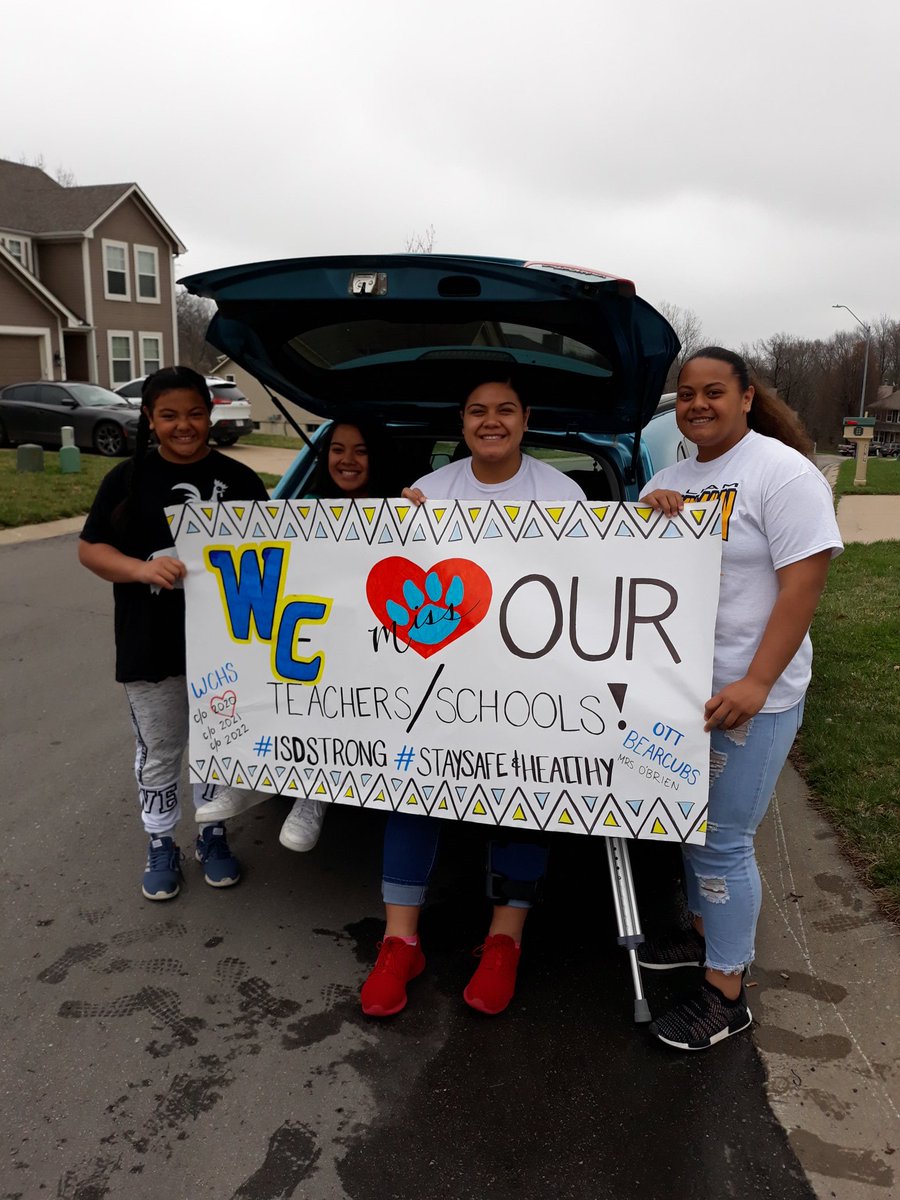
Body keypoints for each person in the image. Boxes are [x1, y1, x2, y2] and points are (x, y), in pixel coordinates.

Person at [360, 379, 586, 1019]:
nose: (492, 421)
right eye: (478, 411)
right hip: (436, 685)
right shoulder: (428, 493)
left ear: (525, 419)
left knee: (526, 794)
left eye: (505, 410)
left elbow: (590, 590)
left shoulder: (564, 496)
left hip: (529, 686)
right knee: (408, 788)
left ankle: (504, 940)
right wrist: (389, 527)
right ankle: (400, 943)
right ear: (461, 422)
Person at [637, 347, 842, 1050]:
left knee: (723, 842)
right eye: (687, 394)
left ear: (747, 397)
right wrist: (647, 516)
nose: (698, 404)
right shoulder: (667, 479)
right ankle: (705, 937)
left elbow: (802, 588)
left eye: (714, 392)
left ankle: (726, 993)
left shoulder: (781, 474)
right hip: (681, 694)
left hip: (752, 697)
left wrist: (756, 683)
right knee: (689, 830)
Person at [79, 366, 269, 900]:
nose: (183, 425)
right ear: (149, 417)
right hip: (150, 643)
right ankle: (160, 840)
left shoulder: (241, 480)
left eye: (194, 413)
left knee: (218, 742)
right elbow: (90, 549)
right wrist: (140, 569)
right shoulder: (126, 480)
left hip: (227, 648)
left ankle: (213, 832)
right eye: (169, 415)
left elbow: (275, 553)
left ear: (210, 414)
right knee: (161, 748)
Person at [193, 416, 390, 854]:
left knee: (335, 686)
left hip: (368, 648)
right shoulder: (299, 509)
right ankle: (244, 776)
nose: (348, 460)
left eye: (361, 450)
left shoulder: (399, 512)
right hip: (305, 632)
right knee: (258, 665)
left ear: (377, 459)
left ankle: (313, 795)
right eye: (337, 449)